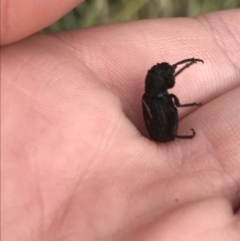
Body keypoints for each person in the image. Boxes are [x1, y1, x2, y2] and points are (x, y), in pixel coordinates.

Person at [2, 0, 240, 240]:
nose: (171, 76)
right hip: (165, 131)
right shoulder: (157, 97)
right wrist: (184, 68)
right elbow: (173, 102)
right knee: (171, 107)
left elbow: (172, 97)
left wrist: (184, 67)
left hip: (164, 127)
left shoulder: (153, 95)